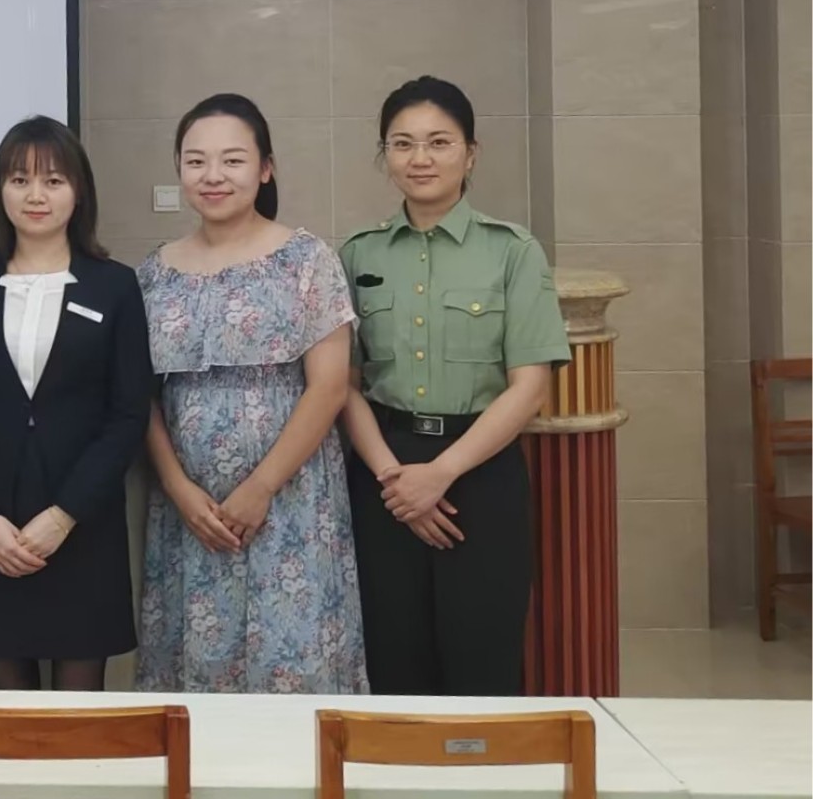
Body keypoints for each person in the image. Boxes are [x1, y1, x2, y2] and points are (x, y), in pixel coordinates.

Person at [340, 75, 570, 696]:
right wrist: (395, 480)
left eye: (439, 142)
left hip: (480, 472)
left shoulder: (513, 251)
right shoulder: (357, 255)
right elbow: (345, 385)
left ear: (471, 153)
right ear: (384, 156)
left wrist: (439, 474)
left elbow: (529, 387)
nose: (420, 158)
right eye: (402, 143)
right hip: (383, 473)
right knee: (392, 658)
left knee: (482, 658)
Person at [134, 93, 368, 694]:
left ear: (265, 169)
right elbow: (140, 398)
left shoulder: (307, 260)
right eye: (196, 161)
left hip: (291, 504)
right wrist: (178, 488)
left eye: (232, 160)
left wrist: (260, 488)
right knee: (195, 674)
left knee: (295, 666)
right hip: (192, 514)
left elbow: (329, 387)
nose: (213, 175)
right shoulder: (153, 273)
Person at [0, 116, 150, 691]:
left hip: (82, 523)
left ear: (79, 192)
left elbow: (129, 413)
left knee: (78, 715)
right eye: (19, 179)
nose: (35, 195)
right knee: (10, 713)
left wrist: (63, 516)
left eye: (53, 181)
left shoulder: (113, 285)